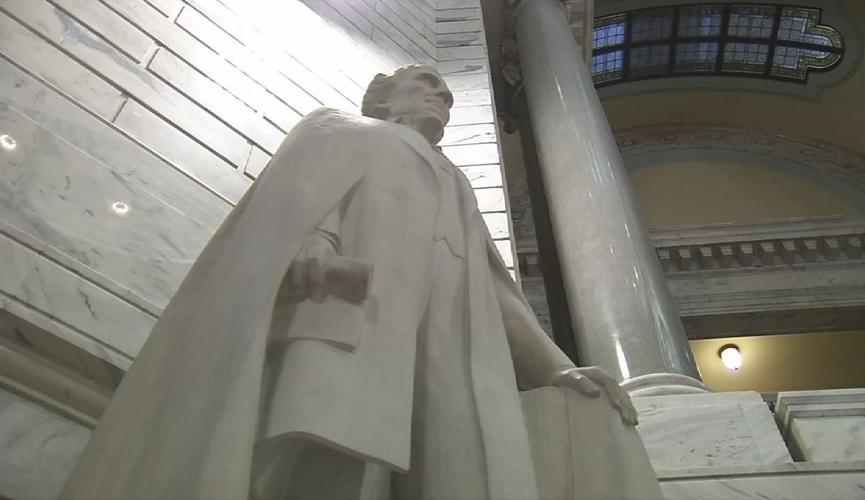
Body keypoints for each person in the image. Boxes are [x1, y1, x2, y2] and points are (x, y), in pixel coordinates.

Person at [59, 65, 637, 500]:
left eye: (450, 96)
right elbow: (296, 201)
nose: (443, 97)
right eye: (430, 84)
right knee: (317, 454)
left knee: (446, 466)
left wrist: (556, 368)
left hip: (447, 346)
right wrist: (316, 241)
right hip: (352, 315)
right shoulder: (339, 128)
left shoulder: (457, 182)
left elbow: (497, 290)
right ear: (383, 95)